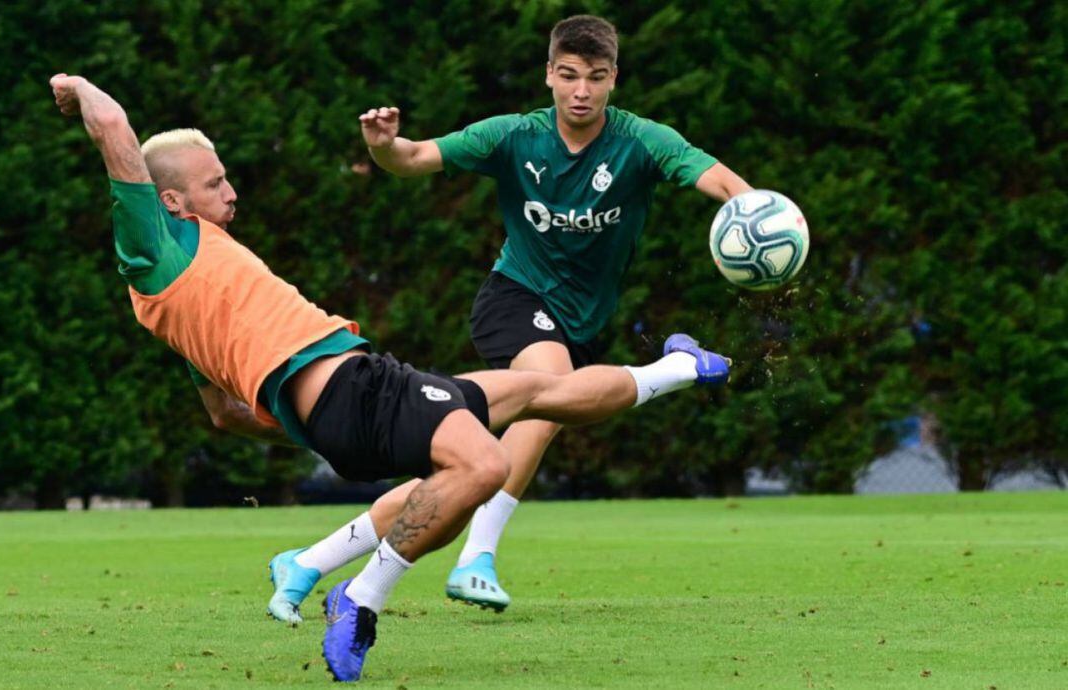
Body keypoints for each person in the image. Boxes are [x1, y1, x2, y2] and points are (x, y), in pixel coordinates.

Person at [50, 72, 730, 682]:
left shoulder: (189, 282)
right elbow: (113, 128)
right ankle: (361, 597)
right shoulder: (153, 252)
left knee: (533, 393)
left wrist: (310, 430)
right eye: (214, 183)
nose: (232, 189)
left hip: (350, 400)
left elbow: (226, 415)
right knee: (485, 464)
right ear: (169, 201)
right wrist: (77, 87)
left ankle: (677, 366)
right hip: (352, 389)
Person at [355, 14, 755, 610]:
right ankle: (475, 559)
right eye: (568, 75)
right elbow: (413, 159)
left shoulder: (642, 141)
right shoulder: (513, 135)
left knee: (479, 454)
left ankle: (315, 558)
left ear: (614, 78)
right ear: (549, 74)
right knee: (552, 391)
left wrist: (760, 211)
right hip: (514, 297)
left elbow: (719, 180)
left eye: (595, 77)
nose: (581, 91)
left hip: (582, 323)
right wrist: (382, 146)